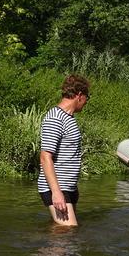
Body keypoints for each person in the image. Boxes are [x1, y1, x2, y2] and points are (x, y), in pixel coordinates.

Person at [38, 74, 90, 227]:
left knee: (63, 231)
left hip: (68, 186)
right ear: (79, 95)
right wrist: (56, 192)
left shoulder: (69, 118)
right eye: (88, 97)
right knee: (68, 232)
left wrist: (73, 187)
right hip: (56, 188)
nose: (87, 102)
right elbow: (45, 157)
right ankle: (35, 244)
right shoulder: (55, 118)